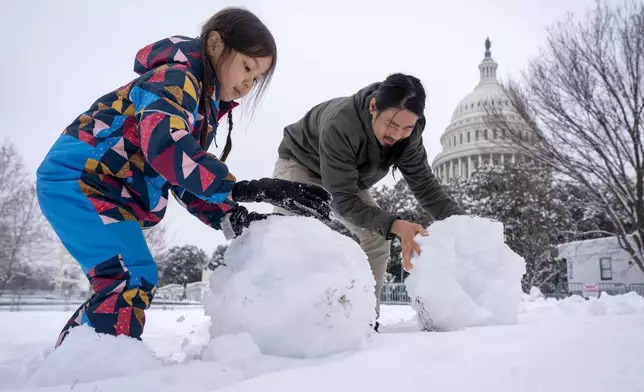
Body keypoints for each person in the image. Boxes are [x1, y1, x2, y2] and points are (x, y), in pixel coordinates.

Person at [36, 7, 331, 347]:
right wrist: (247, 188)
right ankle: (87, 370)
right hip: (79, 180)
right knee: (129, 277)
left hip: (102, 186)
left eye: (258, 78)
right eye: (247, 67)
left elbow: (183, 178)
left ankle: (80, 361)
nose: (249, 83)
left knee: (128, 277)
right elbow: (166, 147)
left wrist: (235, 216)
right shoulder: (175, 78)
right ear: (216, 44)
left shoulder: (201, 108)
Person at [274, 73, 465, 325]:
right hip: (301, 164)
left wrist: (468, 227)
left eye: (406, 127)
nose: (397, 134)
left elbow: (426, 188)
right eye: (391, 124)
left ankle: (365, 320)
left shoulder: (409, 136)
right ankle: (283, 318)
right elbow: (343, 200)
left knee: (376, 236)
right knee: (292, 236)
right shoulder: (341, 126)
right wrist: (396, 225)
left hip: (348, 178)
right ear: (373, 106)